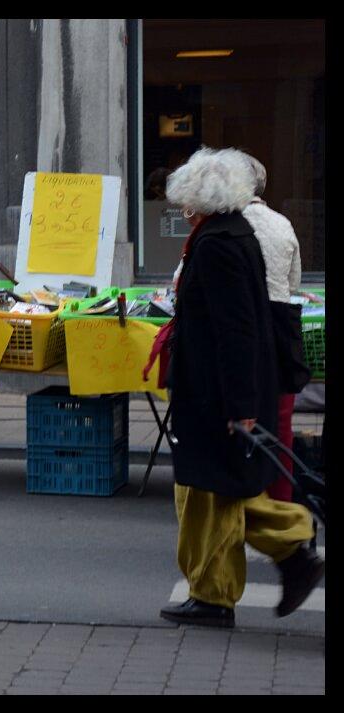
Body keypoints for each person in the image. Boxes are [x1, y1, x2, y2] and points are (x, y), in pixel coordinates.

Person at [158, 147, 324, 629]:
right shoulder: (229, 235)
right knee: (217, 492)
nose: (180, 208)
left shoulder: (217, 244)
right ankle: (267, 568)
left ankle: (234, 585)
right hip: (218, 393)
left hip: (215, 396)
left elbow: (237, 331)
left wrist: (241, 406)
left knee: (214, 495)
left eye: (184, 199)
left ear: (199, 198)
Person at [239, 154, 303, 503]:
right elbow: (293, 281)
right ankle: (280, 504)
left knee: (241, 421)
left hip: (244, 329)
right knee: (280, 424)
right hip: (280, 327)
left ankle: (246, 505)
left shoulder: (222, 226)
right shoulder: (282, 224)